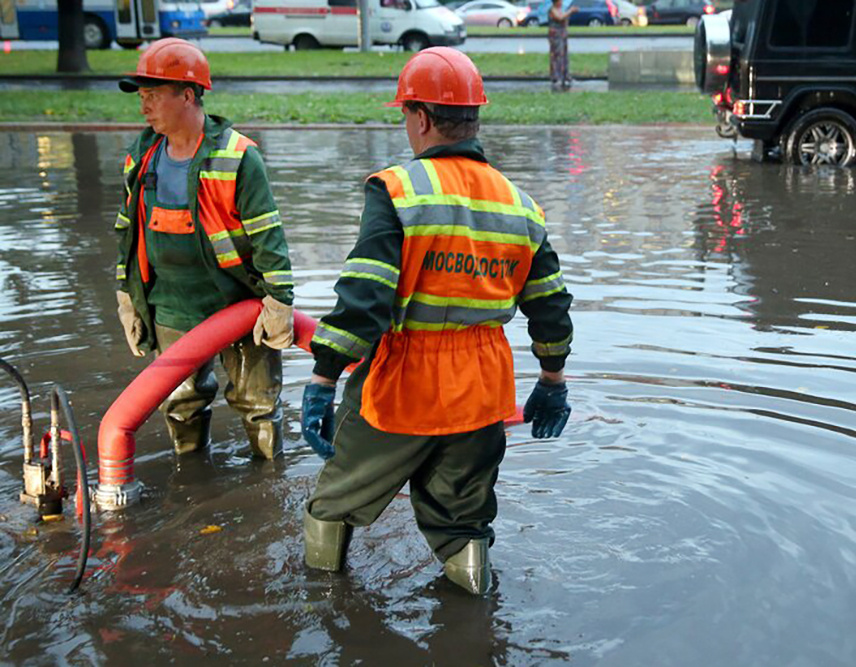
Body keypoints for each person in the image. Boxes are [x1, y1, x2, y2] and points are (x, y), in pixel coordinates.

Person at [300, 47, 574, 595]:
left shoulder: (396, 190)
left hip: (403, 385)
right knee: (464, 521)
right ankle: (475, 614)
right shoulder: (521, 205)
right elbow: (549, 303)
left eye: (406, 114)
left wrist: (323, 378)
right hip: (482, 388)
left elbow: (365, 296)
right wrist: (552, 379)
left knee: (333, 503)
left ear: (421, 117)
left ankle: (320, 608)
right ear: (473, 117)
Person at [114, 38, 295, 460]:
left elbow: (268, 235)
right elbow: (127, 233)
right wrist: (127, 294)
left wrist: (279, 301)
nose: (144, 107)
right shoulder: (142, 157)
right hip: (172, 307)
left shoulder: (237, 156)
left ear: (188, 95)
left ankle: (268, 478)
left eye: (153, 95)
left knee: (258, 405)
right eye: (141, 97)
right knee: (181, 406)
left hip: (240, 305)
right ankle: (191, 477)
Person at [548, 0, 579, 91]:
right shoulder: (552, 10)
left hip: (562, 34)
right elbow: (560, 18)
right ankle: (556, 77)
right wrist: (570, 11)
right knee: (557, 55)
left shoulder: (561, 10)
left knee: (564, 55)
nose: (561, 2)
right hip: (556, 35)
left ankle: (565, 76)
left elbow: (564, 20)